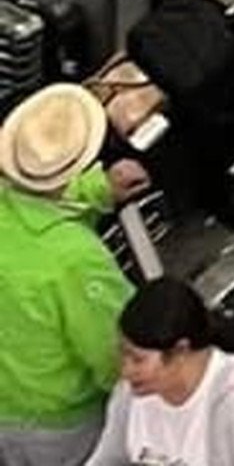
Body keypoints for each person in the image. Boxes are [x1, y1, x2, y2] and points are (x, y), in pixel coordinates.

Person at [0, 77, 127, 466]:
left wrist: (99, 190)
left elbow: (34, 199)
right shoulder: (74, 259)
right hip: (65, 427)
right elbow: (117, 356)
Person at [93, 280, 234, 466]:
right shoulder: (129, 396)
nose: (126, 371)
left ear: (181, 351)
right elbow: (108, 459)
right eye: (122, 354)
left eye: (138, 360)